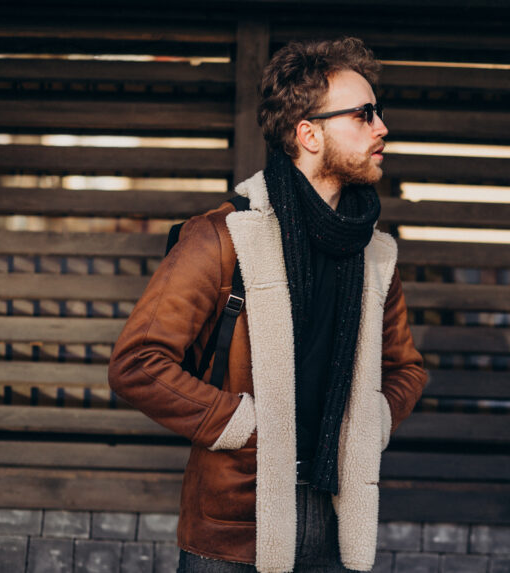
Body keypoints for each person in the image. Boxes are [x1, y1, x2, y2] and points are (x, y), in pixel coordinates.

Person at [108, 37, 427, 573]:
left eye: (380, 113)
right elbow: (137, 363)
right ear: (309, 133)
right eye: (365, 114)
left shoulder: (373, 251)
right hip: (233, 525)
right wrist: (240, 424)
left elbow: (406, 369)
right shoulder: (224, 236)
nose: (382, 129)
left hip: (333, 519)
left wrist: (366, 423)